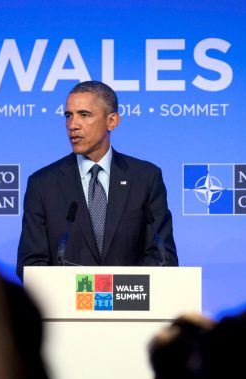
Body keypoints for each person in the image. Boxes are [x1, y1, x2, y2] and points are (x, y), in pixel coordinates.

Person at [17, 80, 177, 279]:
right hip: (66, 307)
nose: (72, 125)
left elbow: (163, 256)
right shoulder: (43, 184)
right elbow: (31, 263)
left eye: (84, 115)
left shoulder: (145, 178)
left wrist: (117, 291)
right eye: (68, 115)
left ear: (112, 121)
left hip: (131, 305)